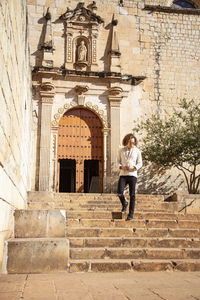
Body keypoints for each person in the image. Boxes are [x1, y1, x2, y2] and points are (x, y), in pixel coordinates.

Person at [117, 133, 142, 220]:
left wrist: (134, 168)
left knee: (132, 195)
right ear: (126, 142)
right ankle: (124, 203)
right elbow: (118, 161)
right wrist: (121, 167)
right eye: (130, 142)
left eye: (133, 143)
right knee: (119, 192)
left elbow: (140, 163)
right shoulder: (121, 150)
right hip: (123, 174)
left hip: (132, 175)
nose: (132, 144)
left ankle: (131, 215)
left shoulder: (137, 151)